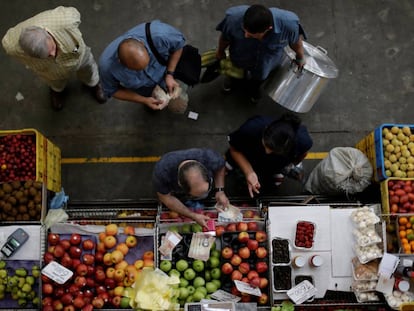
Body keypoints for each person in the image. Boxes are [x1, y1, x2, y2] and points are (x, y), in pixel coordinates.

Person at [2, 6, 106, 111]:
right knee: (55, 81)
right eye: (46, 56)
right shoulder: (11, 46)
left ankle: (93, 83)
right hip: (51, 71)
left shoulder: (65, 20)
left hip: (78, 55)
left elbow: (75, 14)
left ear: (47, 33)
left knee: (87, 68)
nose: (53, 54)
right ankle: (57, 90)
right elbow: (6, 42)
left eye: (52, 48)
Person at [215, 4, 306, 103]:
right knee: (235, 70)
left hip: (266, 62)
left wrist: (300, 57)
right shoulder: (233, 19)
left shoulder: (289, 25)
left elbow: (295, 42)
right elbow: (225, 38)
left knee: (260, 78)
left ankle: (254, 89)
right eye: (244, 31)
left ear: (268, 29)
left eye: (251, 35)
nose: (245, 35)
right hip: (240, 55)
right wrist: (220, 51)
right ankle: (233, 81)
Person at [99, 20, 187, 112]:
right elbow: (112, 90)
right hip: (144, 89)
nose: (145, 70)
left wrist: (170, 74)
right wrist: (145, 100)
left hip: (166, 70)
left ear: (142, 43)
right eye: (135, 70)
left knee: (178, 104)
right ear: (119, 61)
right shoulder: (107, 67)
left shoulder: (161, 34)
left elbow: (178, 46)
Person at [226, 113, 313, 197]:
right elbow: (234, 150)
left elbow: (302, 155)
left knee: (272, 181)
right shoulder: (251, 128)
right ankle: (232, 163)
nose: (267, 152)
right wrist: (249, 172)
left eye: (274, 150)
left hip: (274, 165)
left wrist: (290, 166)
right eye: (266, 145)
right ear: (265, 129)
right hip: (249, 155)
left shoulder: (303, 142)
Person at [152, 148, 230, 227]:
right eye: (195, 195)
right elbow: (166, 197)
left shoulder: (211, 158)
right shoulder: (163, 171)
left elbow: (220, 168)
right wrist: (193, 215)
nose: (202, 195)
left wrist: (220, 191)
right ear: (180, 184)